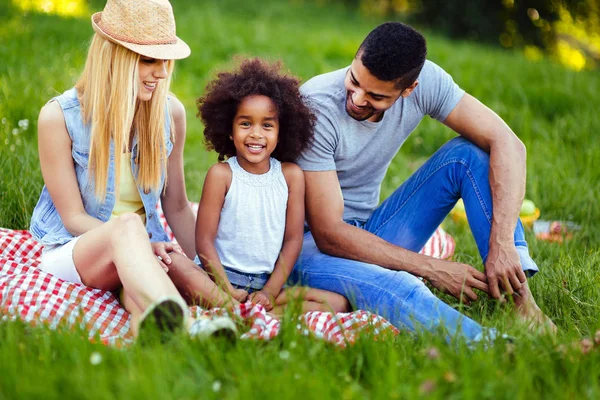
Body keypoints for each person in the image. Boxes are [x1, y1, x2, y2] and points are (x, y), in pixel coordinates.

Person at [288, 21, 556, 343]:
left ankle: (521, 304)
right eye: (354, 80)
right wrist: (430, 268)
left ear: (408, 90)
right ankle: (498, 348)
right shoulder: (316, 107)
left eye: (375, 95)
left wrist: (502, 245)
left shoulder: (426, 82)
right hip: (303, 247)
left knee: (470, 155)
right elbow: (328, 234)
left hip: (367, 229)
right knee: (401, 284)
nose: (357, 98)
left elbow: (508, 144)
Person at [29, 0, 237, 339]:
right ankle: (192, 322)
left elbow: (178, 206)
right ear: (115, 56)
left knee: (143, 302)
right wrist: (136, 240)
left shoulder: (169, 114)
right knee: (127, 226)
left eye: (165, 60)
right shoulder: (59, 118)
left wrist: (207, 266)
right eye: (148, 60)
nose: (162, 72)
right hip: (76, 250)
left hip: (141, 252)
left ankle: (169, 349)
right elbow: (72, 217)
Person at [195, 58, 349, 315]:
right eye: (245, 124)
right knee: (177, 270)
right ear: (229, 130)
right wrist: (226, 288)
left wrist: (269, 291)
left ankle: (250, 312)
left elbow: (292, 240)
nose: (256, 134)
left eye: (267, 125)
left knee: (339, 303)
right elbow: (204, 242)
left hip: (267, 284)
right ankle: (233, 305)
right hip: (218, 280)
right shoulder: (221, 175)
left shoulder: (291, 175)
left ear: (281, 131)